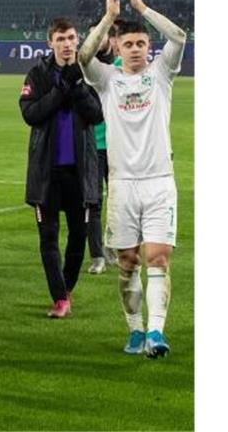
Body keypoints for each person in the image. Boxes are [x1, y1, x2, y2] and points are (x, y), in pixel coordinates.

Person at [78, 0, 186, 358]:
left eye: (141, 44)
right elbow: (82, 57)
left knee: (157, 257)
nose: (137, 49)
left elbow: (179, 36)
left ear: (148, 48)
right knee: (127, 261)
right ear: (118, 49)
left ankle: (156, 332)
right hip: (123, 185)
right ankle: (135, 330)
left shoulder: (160, 75)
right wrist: (109, 18)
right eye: (129, 44)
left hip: (159, 182)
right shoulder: (107, 81)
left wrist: (141, 9)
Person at [19, 18, 104, 318]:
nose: (67, 44)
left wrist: (77, 86)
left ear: (77, 41)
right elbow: (30, 113)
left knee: (78, 237)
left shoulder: (88, 74)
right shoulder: (38, 74)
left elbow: (96, 115)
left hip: (80, 174)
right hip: (46, 172)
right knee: (48, 238)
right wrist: (60, 90)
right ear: (50, 43)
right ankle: (60, 299)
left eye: (71, 38)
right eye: (61, 39)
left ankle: (66, 288)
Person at [87, 20, 123, 275]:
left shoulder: (120, 67)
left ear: (110, 39)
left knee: (120, 200)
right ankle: (97, 254)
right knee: (93, 201)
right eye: (91, 35)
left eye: (100, 35)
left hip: (118, 146)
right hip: (91, 144)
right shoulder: (84, 66)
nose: (95, 39)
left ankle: (114, 246)